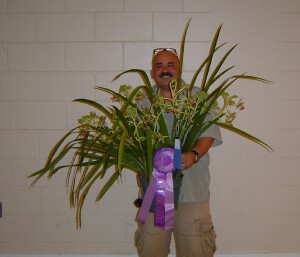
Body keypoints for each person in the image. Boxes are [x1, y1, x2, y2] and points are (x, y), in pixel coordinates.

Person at [134, 48, 222, 257]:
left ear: (179, 69)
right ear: (152, 72)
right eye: (159, 66)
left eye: (170, 65)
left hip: (192, 189)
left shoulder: (198, 97)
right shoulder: (142, 102)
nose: (165, 70)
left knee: (196, 250)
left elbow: (208, 133)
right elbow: (133, 140)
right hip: (155, 192)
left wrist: (194, 154)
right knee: (151, 249)